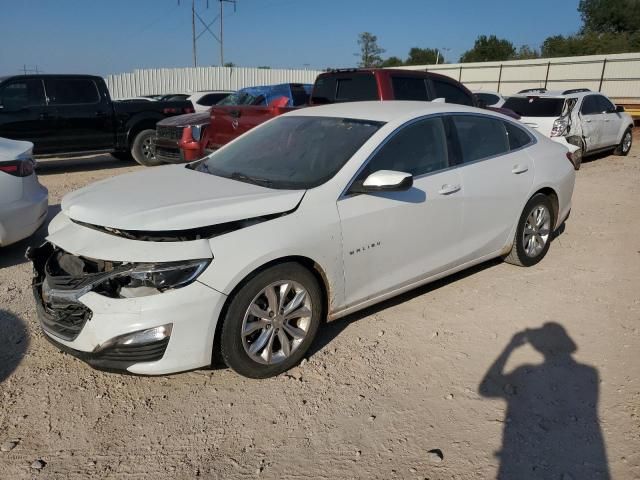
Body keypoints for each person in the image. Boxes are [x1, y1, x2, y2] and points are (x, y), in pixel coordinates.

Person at [479, 322, 609, 479]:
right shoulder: (589, 373)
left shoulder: (525, 374)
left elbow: (485, 389)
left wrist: (510, 347)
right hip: (580, 454)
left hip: (527, 459)